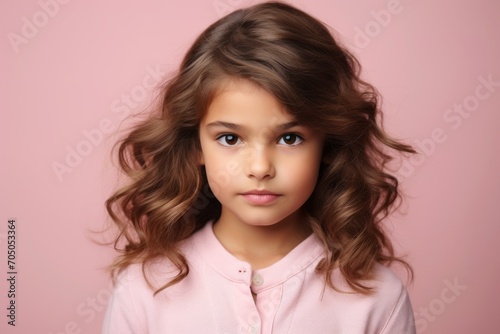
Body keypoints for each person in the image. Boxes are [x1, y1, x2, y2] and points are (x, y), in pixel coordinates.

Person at [102, 1, 416, 333]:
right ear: (195, 146)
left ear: (328, 143)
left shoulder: (378, 298)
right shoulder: (144, 289)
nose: (260, 168)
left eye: (290, 138)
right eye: (229, 138)